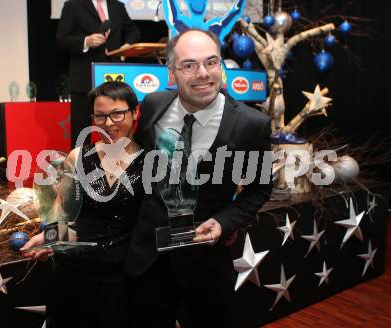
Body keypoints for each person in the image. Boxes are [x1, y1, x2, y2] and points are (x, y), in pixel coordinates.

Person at [125, 29, 273, 328]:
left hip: (204, 263)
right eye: (189, 65)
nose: (203, 74)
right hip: (147, 260)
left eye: (211, 62)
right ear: (172, 73)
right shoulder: (154, 104)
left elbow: (260, 189)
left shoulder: (251, 124)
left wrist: (224, 222)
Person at [21, 81, 143, 328]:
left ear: (135, 112)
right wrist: (49, 237)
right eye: (100, 116)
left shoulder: (151, 161)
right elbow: (62, 211)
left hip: (121, 279)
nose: (109, 123)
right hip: (73, 272)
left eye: (117, 113)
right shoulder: (77, 157)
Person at [57, 0, 140, 148]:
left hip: (114, 76)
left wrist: (127, 46)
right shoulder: (73, 5)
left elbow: (133, 31)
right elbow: (62, 39)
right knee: (81, 130)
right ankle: (80, 166)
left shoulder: (118, 6)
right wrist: (85, 41)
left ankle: (121, 163)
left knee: (117, 124)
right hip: (84, 78)